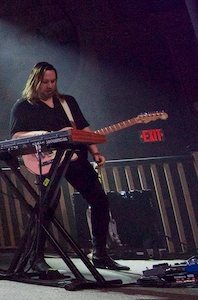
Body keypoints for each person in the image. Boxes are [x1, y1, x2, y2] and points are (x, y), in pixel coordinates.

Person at [9, 61, 128, 271]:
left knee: (100, 200)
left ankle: (100, 253)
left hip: (75, 158)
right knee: (46, 207)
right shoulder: (23, 106)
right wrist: (39, 134)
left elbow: (83, 128)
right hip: (46, 161)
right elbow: (16, 135)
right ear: (35, 81)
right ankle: (36, 258)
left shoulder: (67, 102)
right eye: (45, 82)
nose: (49, 86)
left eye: (53, 81)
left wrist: (95, 152)